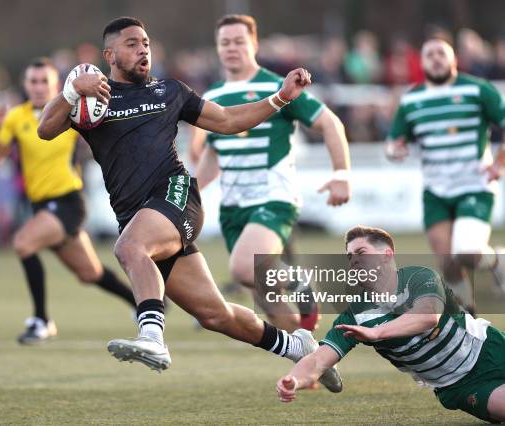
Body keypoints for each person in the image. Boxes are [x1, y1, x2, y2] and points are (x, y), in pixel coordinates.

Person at [37, 16, 342, 392]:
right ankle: (298, 346)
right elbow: (45, 130)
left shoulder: (170, 92)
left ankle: (152, 337)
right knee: (216, 315)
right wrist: (70, 92)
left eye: (146, 43)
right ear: (110, 55)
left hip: (177, 195)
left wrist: (280, 97)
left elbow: (229, 120)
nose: (143, 49)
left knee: (129, 248)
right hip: (139, 216)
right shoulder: (93, 101)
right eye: (132, 44)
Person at [191, 14, 351, 332]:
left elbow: (330, 123)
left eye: (239, 41)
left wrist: (342, 174)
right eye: (225, 42)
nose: (231, 48)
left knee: (243, 269)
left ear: (254, 43)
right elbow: (212, 154)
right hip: (233, 208)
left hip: (273, 199)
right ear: (217, 48)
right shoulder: (211, 96)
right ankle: (307, 355)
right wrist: (189, 193)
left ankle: (300, 282)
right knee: (266, 297)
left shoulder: (277, 87)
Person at [276, 225, 505, 423]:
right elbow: (317, 359)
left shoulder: (419, 277)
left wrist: (377, 333)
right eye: (349, 256)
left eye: (361, 252)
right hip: (458, 386)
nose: (353, 260)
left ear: (386, 255)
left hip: (490, 349)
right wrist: (294, 380)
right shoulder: (355, 317)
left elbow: (427, 316)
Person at [0, 57, 136, 344]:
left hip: (68, 202)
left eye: (45, 81)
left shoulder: (72, 111)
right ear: (25, 85)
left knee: (23, 243)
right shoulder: (15, 117)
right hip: (41, 206)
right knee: (90, 273)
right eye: (33, 81)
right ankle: (142, 303)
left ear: (57, 84)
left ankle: (42, 320)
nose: (39, 87)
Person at [385, 38, 505, 314]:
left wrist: (499, 163)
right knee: (447, 261)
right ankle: (468, 314)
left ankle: (497, 262)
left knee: (466, 252)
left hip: (474, 185)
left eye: (442, 53)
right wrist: (394, 150)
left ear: (453, 59)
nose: (436, 59)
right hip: (435, 190)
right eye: (430, 55)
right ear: (422, 61)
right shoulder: (412, 98)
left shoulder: (477, 89)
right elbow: (393, 141)